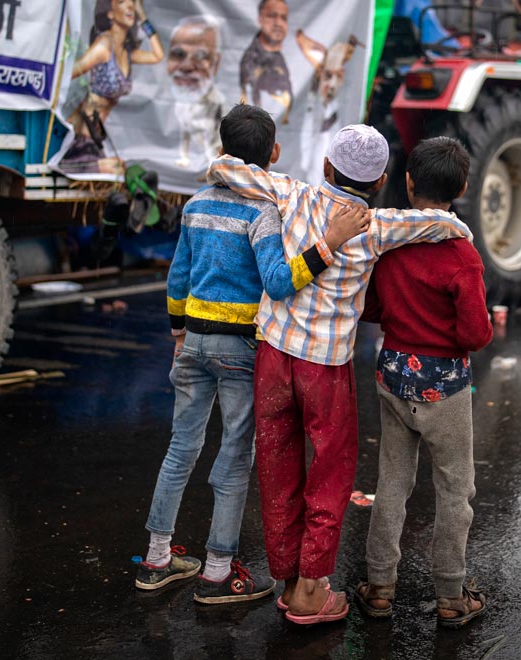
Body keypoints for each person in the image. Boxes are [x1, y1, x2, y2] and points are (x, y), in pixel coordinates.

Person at [204, 124, 473, 624]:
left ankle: (289, 579)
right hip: (324, 369)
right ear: (381, 180)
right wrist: (461, 230)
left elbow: (223, 167)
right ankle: (311, 590)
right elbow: (434, 222)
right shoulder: (375, 225)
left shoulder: (291, 192)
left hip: (273, 355)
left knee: (278, 466)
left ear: (326, 166)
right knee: (329, 473)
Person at [134, 105, 370, 605]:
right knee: (235, 456)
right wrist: (326, 246)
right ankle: (218, 571)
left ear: (222, 150)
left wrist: (178, 333)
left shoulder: (195, 205)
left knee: (181, 448)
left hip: (194, 341)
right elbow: (280, 283)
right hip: (240, 349)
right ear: (274, 155)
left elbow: (177, 278)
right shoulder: (263, 214)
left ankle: (156, 561)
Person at [355, 137, 493, 628]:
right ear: (464, 187)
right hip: (445, 388)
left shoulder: (390, 244)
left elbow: (370, 309)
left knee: (392, 482)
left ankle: (378, 588)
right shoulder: (462, 255)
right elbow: (476, 334)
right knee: (455, 489)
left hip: (393, 375)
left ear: (407, 183)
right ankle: (452, 597)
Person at [61, 0, 164, 173]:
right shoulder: (103, 46)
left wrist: (143, 17)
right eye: (123, 2)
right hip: (81, 139)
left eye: (133, 3)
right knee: (117, 169)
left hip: (97, 139)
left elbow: (157, 55)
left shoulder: (126, 51)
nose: (130, 6)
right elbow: (67, 73)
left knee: (124, 168)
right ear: (109, 12)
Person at [167, 15, 224, 168]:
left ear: (216, 63)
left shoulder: (219, 105)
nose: (187, 67)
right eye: (178, 54)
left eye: (200, 56)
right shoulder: (173, 103)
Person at [239, 0, 292, 123]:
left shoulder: (280, 59)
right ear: (260, 19)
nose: (279, 23)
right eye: (272, 16)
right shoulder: (250, 61)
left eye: (284, 18)